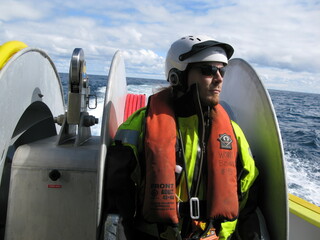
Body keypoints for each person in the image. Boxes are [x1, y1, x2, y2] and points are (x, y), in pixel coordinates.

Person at [104, 35, 265, 240]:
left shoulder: (232, 134)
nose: (219, 78)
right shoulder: (139, 127)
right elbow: (118, 202)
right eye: (208, 70)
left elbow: (247, 202)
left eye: (222, 70)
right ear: (176, 76)